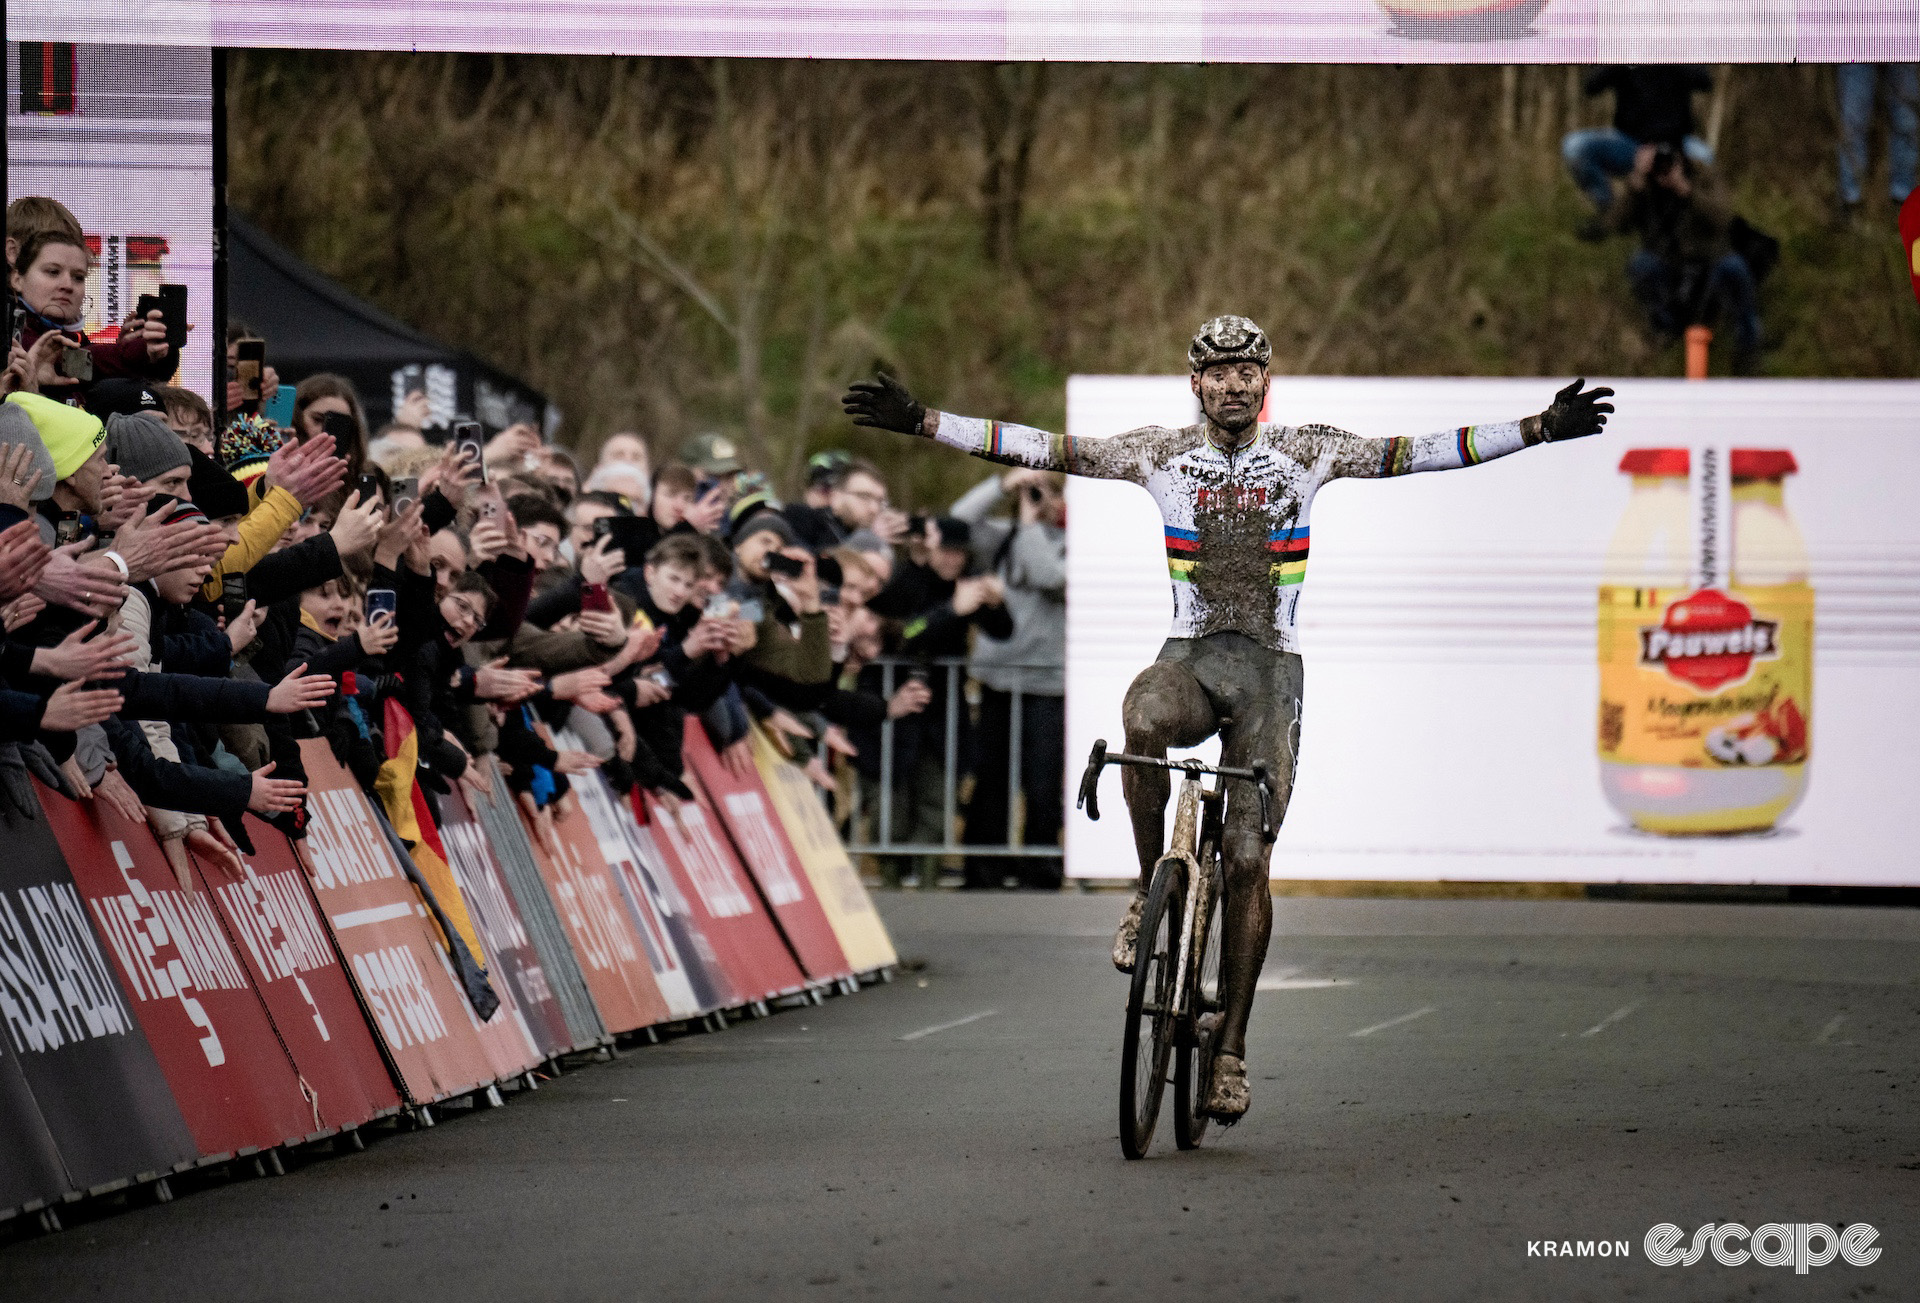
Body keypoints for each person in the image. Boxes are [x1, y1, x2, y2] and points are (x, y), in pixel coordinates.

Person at [844, 315, 1613, 1122]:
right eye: (1221, 372)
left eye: (1251, 371)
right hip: (1193, 658)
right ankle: (1148, 891)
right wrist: (926, 421)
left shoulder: (1310, 450)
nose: (1236, 384)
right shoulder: (1159, 453)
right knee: (1141, 715)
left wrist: (1538, 431)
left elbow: (1417, 453)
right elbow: (1044, 448)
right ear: (1196, 384)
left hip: (1271, 673)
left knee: (1247, 860)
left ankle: (1233, 1047)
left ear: (1266, 382)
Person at [951, 467, 1068, 890]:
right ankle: (983, 868)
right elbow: (958, 521)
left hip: (1048, 684)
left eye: (1050, 492)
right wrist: (1003, 484)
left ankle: (1040, 869)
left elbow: (1050, 576)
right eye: (1035, 492)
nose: (1042, 499)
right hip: (998, 679)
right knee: (990, 778)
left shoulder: (1072, 546)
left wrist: (1030, 524)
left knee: (1041, 782)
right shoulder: (1001, 535)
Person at [1609, 145, 1762, 373]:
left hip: (1710, 260)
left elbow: (1723, 219)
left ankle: (1748, 346)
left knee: (1735, 267)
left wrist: (1686, 190)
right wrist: (1634, 188)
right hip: (1667, 261)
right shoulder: (1644, 183)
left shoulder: (1703, 174)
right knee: (1641, 265)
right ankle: (1666, 331)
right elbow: (1614, 224)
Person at [1563, 66, 1715, 238]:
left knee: (1704, 157)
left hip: (1678, 143)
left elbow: (1705, 82)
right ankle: (1610, 212)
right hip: (1628, 143)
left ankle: (1689, 220)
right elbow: (1591, 86)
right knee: (1575, 146)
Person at [1835, 64, 1918, 224]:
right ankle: (1851, 198)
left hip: (1903, 42)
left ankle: (1903, 195)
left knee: (1906, 117)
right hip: (1858, 44)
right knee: (1853, 120)